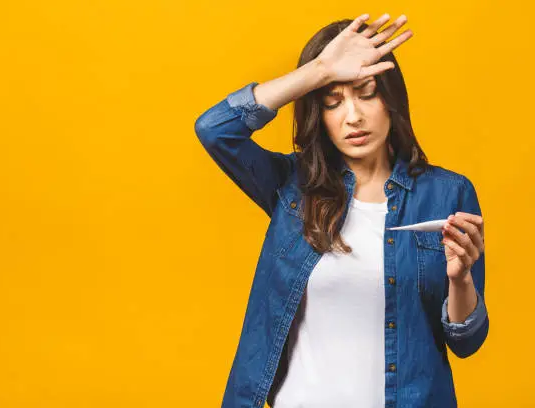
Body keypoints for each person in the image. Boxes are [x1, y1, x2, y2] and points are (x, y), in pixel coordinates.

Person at [194, 13, 489, 408]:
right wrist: (318, 71)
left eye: (367, 94)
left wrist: (460, 280)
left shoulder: (447, 194)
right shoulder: (293, 185)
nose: (353, 117)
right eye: (333, 102)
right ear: (320, 115)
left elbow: (466, 342)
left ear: (391, 99)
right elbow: (215, 129)